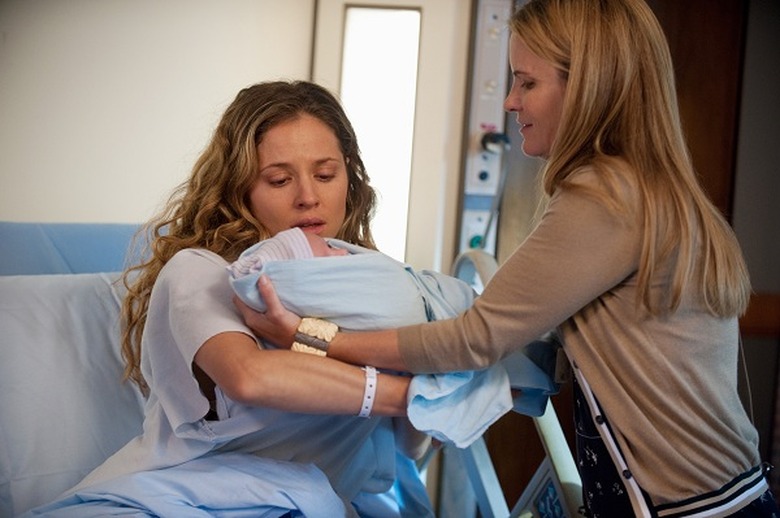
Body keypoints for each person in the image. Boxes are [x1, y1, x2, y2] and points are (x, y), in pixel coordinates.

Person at [237, 1, 779, 516]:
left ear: (586, 86)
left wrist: (313, 337)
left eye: (527, 82)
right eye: (280, 180)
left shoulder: (604, 196)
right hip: (728, 493)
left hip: (686, 505)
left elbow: (474, 339)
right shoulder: (651, 190)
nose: (510, 102)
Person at [25, 80, 434, 518]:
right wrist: (423, 395)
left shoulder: (377, 289)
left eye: (325, 175)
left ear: (349, 179)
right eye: (279, 180)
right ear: (239, 188)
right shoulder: (201, 272)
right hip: (169, 502)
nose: (308, 197)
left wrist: (437, 378)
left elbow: (412, 443)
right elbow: (249, 377)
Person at [228, 227, 559, 449]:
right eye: (279, 180)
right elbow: (410, 447)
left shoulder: (365, 271)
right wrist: (439, 395)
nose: (341, 254)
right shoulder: (220, 290)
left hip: (478, 335)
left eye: (325, 175)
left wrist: (308, 337)